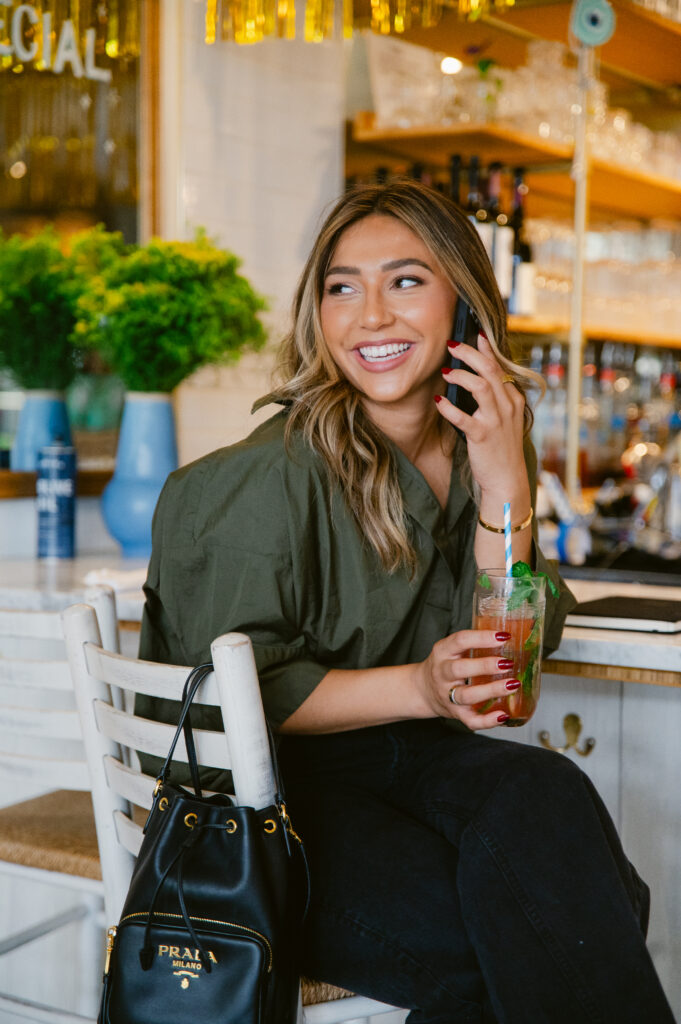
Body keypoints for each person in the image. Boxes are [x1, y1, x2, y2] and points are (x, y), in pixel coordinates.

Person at [139, 181, 674, 1023]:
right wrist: (421, 688)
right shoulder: (259, 480)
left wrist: (504, 475)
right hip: (263, 807)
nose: (370, 316)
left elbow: (508, 683)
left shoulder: (478, 450)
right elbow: (222, 699)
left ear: (466, 307)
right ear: (316, 314)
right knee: (544, 932)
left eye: (406, 281)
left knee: (545, 808)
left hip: (402, 773)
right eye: (341, 286)